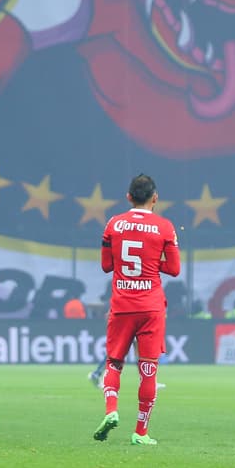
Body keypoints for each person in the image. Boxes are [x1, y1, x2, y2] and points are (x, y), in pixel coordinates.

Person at [93, 174, 180, 446]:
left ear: (128, 197)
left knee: (114, 362)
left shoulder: (114, 224)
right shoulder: (165, 227)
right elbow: (174, 270)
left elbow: (107, 266)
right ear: (155, 198)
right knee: (148, 369)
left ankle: (111, 411)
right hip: (151, 307)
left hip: (122, 305)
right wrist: (153, 264)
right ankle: (140, 433)